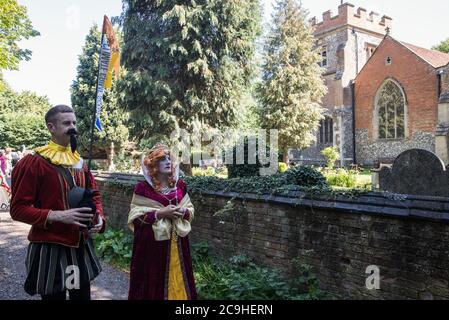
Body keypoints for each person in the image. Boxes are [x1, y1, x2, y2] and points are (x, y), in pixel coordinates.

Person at [10, 104, 106, 300]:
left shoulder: (79, 161)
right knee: (55, 298)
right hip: (50, 248)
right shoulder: (34, 162)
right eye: (66, 123)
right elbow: (18, 209)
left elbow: (93, 195)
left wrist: (100, 218)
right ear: (51, 127)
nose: (73, 127)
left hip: (79, 247)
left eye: (74, 122)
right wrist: (58, 215)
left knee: (80, 296)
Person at [127, 144, 197, 300]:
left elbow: (190, 210)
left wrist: (182, 212)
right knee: (152, 283)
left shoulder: (180, 186)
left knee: (180, 277)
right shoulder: (143, 189)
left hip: (178, 243)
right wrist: (160, 213)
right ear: (153, 165)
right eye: (162, 159)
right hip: (152, 247)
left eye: (169, 158)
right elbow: (136, 218)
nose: (168, 162)